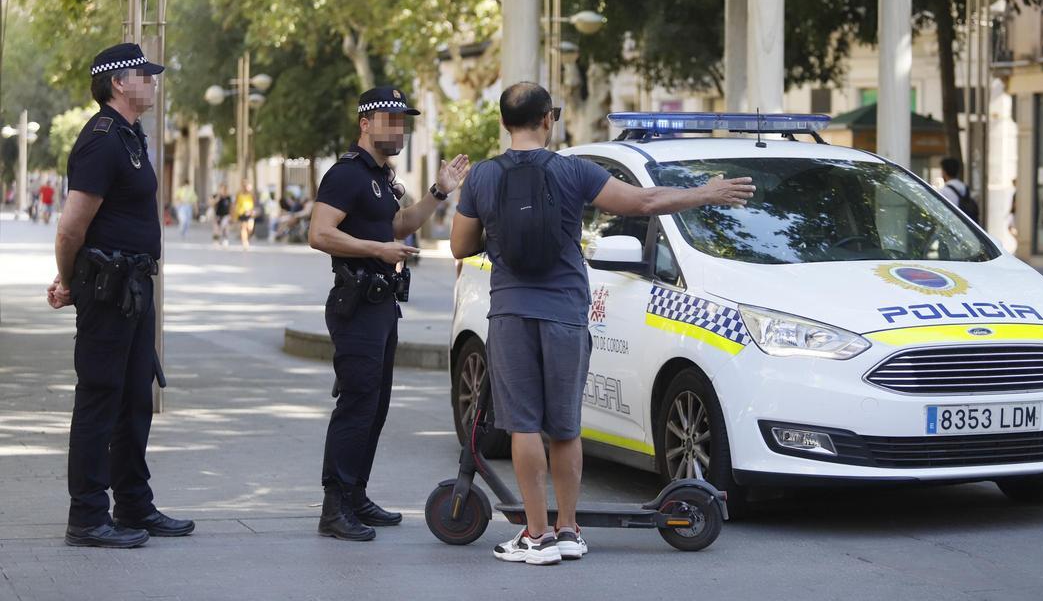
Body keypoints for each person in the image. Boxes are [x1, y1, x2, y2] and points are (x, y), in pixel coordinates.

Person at [450, 82, 755, 566]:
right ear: (548, 118)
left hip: (509, 310)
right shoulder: (575, 171)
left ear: (504, 122)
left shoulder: (483, 177)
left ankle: (535, 535)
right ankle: (568, 530)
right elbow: (644, 203)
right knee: (566, 426)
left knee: (523, 426)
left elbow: (459, 246)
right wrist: (707, 192)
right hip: (567, 311)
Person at [45, 42, 194, 548]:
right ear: (118, 84)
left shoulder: (131, 137)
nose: (152, 81)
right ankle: (87, 516)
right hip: (107, 289)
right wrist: (68, 282)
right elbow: (70, 228)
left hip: (132, 287)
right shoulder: (101, 140)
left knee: (134, 398)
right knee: (100, 397)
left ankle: (132, 504)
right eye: (143, 74)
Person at [308, 86, 470, 541]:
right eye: (389, 120)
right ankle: (334, 506)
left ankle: (356, 494)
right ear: (365, 123)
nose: (398, 128)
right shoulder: (346, 174)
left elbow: (397, 225)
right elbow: (319, 233)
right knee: (356, 406)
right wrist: (376, 250)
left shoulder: (381, 176)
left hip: (381, 306)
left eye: (403, 121)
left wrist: (438, 191)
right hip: (356, 304)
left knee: (374, 407)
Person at [234, 181, 256, 250]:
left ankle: (247, 238)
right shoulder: (239, 194)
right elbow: (235, 203)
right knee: (243, 228)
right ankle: (245, 242)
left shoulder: (251, 194)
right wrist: (235, 213)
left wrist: (253, 211)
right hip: (241, 213)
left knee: (250, 228)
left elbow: (254, 203)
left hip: (250, 213)